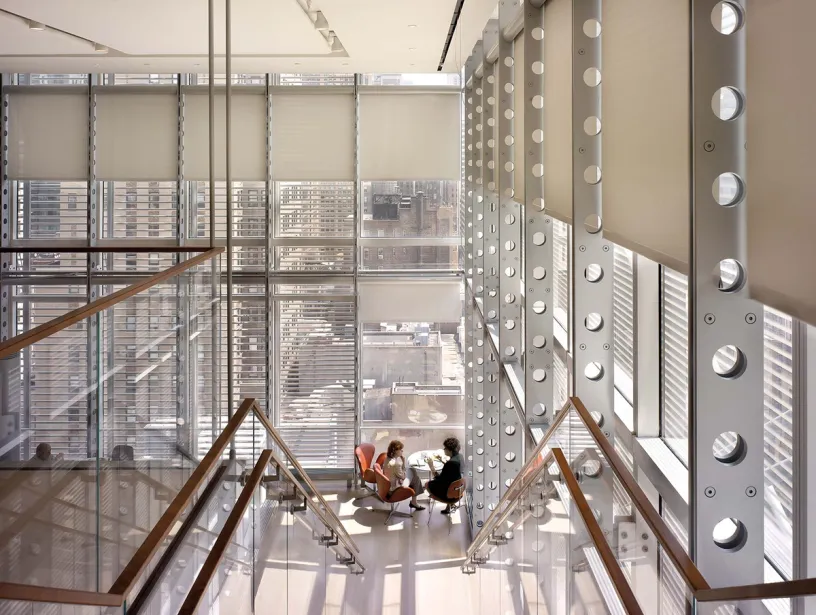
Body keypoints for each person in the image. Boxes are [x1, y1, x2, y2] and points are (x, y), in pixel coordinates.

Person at [383, 440, 425, 511]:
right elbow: (403, 476)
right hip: (395, 488)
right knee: (416, 479)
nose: (402, 451)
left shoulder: (387, 459)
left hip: (388, 485)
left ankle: (414, 500)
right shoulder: (396, 464)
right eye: (400, 449)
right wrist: (403, 463)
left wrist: (403, 467)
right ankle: (414, 502)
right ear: (395, 450)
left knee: (412, 470)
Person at [426, 437, 464, 515]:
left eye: (445, 448)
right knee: (451, 482)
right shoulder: (460, 457)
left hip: (448, 494)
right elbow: (454, 471)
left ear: (450, 450)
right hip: (458, 491)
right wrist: (443, 461)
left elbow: (440, 480)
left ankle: (449, 502)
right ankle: (449, 507)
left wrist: (431, 467)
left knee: (427, 484)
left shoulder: (450, 464)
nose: (444, 450)